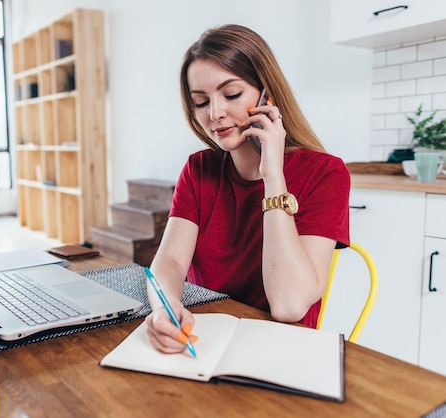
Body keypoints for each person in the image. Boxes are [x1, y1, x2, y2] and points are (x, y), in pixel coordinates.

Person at [145, 24, 350, 355]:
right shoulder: (198, 169)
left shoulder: (325, 173)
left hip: (282, 349)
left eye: (231, 94)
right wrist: (164, 310)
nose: (215, 114)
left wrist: (272, 175)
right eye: (201, 101)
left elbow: (289, 305)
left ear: (267, 94)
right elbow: (168, 261)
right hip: (204, 339)